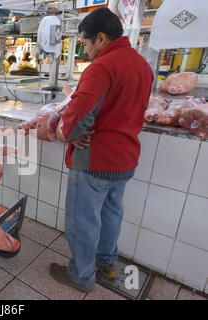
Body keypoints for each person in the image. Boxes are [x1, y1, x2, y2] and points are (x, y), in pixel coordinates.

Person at [50, 7, 154, 293]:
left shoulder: (102, 66)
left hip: (95, 158)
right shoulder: (142, 66)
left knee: (83, 221)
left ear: (101, 38)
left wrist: (71, 135)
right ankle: (107, 264)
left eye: (84, 43)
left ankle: (82, 276)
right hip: (125, 158)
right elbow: (140, 110)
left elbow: (79, 111)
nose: (84, 51)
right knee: (110, 216)